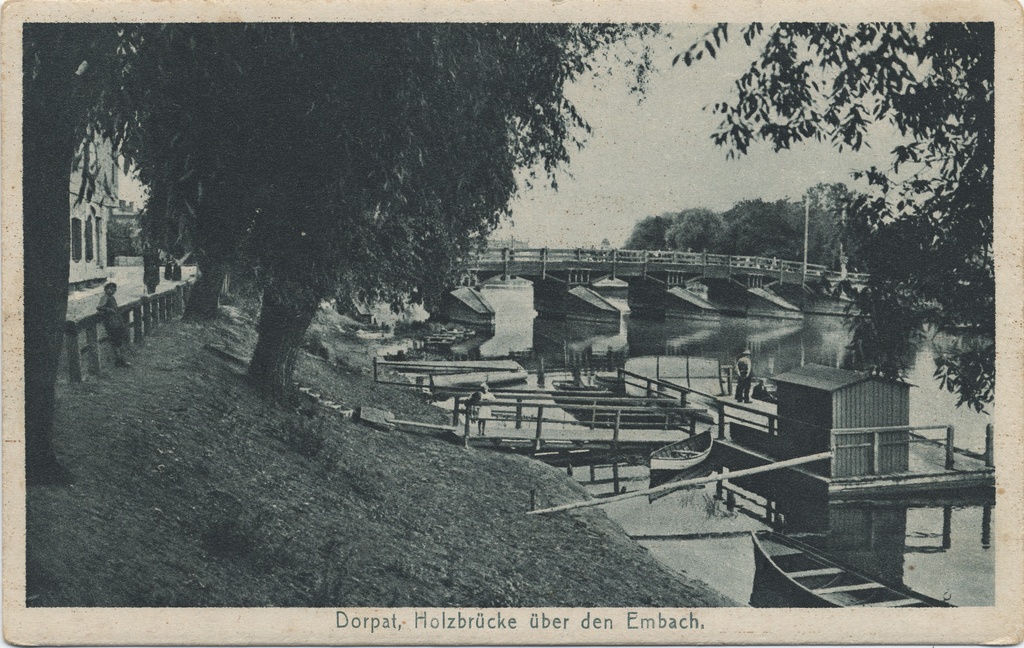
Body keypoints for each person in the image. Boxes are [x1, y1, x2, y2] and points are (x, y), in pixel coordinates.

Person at [97, 282, 131, 367]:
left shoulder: (111, 297)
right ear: (106, 289)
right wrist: (108, 309)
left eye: (114, 290)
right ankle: (119, 360)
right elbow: (99, 307)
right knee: (116, 341)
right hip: (111, 322)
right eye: (111, 289)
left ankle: (120, 359)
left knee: (118, 340)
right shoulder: (105, 297)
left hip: (115, 321)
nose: (112, 291)